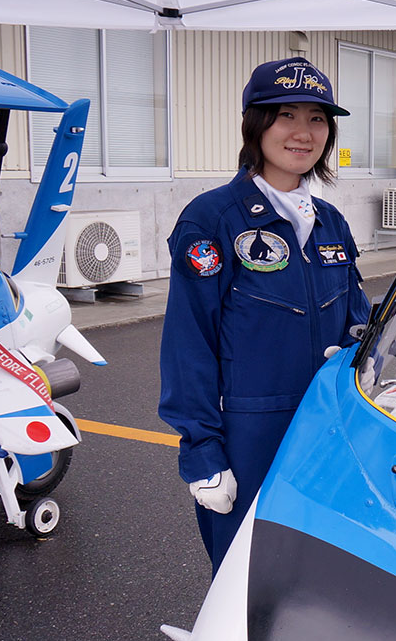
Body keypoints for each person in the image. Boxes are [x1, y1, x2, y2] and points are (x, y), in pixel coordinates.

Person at [159, 57, 371, 574]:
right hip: (249, 434)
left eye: (317, 118)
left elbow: (357, 321)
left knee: (317, 572)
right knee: (245, 577)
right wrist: (203, 452)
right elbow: (190, 342)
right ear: (255, 124)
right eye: (286, 115)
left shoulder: (330, 222)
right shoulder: (213, 219)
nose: (303, 132)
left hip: (327, 429)